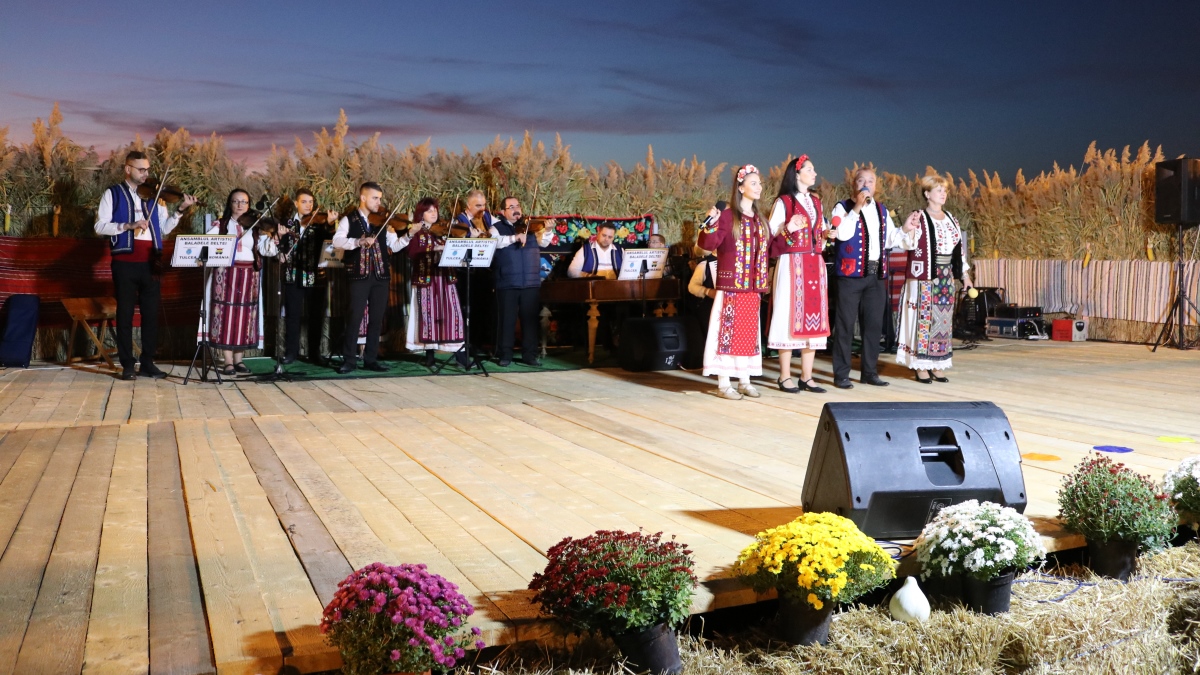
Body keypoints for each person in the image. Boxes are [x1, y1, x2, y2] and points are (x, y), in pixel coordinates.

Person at [94, 150, 196, 380]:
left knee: (151, 314)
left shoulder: (156, 197)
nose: (145, 174)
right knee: (125, 314)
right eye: (141, 170)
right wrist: (128, 225)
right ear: (127, 169)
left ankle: (148, 362)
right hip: (125, 262)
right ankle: (128, 364)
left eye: (147, 170)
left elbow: (163, 229)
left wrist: (180, 210)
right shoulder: (113, 193)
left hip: (152, 262)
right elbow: (100, 226)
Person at [829, 167, 911, 389]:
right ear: (854, 184)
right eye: (861, 180)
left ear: (876, 186)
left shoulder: (881, 210)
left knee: (873, 327)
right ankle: (841, 374)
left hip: (876, 277)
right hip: (849, 277)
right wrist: (857, 207)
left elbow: (890, 239)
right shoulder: (843, 207)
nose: (866, 184)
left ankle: (869, 372)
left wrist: (904, 229)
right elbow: (842, 234)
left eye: (871, 181)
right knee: (845, 325)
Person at [697, 165, 770, 400]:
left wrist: (788, 230)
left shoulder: (760, 220)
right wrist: (710, 223)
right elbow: (707, 245)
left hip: (752, 287)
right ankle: (724, 383)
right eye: (754, 183)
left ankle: (744, 380)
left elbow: (769, 249)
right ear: (740, 188)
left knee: (747, 334)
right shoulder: (728, 217)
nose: (759, 187)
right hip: (731, 287)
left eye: (759, 183)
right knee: (726, 334)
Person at [896, 174, 973, 382]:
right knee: (923, 318)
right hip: (924, 276)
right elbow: (907, 244)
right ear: (927, 194)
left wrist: (965, 275)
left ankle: (937, 362)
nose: (943, 194)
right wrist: (908, 230)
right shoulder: (918, 217)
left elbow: (958, 251)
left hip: (946, 276)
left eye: (945, 190)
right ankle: (921, 364)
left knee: (943, 319)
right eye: (939, 190)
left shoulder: (951, 219)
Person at [767, 155, 831, 394]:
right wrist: (789, 228)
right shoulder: (784, 202)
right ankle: (784, 376)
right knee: (787, 314)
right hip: (791, 263)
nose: (814, 173)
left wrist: (826, 236)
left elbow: (817, 234)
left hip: (814, 263)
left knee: (814, 317)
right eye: (810, 169)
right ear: (796, 174)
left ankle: (807, 376)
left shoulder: (816, 202)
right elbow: (770, 236)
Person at [332, 182, 410, 374]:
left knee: (376, 319)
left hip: (381, 276)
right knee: (354, 318)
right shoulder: (349, 219)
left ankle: (371, 359)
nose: (378, 202)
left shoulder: (384, 222)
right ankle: (349, 360)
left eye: (380, 199)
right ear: (363, 198)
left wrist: (409, 235)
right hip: (358, 276)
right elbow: (337, 241)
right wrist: (358, 241)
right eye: (375, 198)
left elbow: (395, 246)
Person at [204, 189, 278, 376]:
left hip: (249, 276)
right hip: (226, 275)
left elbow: (267, 251)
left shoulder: (256, 227)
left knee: (245, 316)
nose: (240, 205)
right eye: (236, 201)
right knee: (225, 315)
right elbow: (207, 243)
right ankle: (228, 361)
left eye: (244, 202)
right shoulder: (220, 225)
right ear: (230, 204)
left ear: (249, 205)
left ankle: (239, 360)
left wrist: (274, 237)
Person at [490, 196, 553, 367]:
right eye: (511, 207)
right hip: (507, 281)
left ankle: (529, 355)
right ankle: (505, 354)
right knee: (507, 320)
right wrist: (514, 237)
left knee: (530, 320)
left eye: (517, 206)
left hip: (530, 282)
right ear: (503, 211)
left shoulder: (531, 227)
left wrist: (548, 230)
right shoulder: (496, 228)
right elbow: (494, 243)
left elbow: (544, 242)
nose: (516, 209)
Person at [406, 197, 469, 369]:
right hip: (426, 278)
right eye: (429, 211)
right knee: (428, 316)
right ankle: (430, 356)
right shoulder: (416, 232)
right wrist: (433, 248)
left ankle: (460, 355)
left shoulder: (444, 230)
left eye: (435, 210)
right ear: (421, 214)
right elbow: (412, 252)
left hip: (445, 278)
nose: (434, 213)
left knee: (453, 314)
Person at [277, 189, 337, 364]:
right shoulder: (287, 223)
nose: (308, 205)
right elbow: (280, 246)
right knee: (292, 315)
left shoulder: (319, 223)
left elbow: (330, 243)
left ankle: (314, 353)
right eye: (304, 202)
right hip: (292, 274)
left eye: (311, 202)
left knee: (316, 316)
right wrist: (280, 249)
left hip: (315, 275)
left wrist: (330, 225)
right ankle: (291, 353)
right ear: (296, 203)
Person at [454, 189, 497, 352]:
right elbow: (457, 243)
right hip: (466, 273)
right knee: (468, 308)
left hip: (484, 271)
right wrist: (470, 238)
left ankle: (479, 344)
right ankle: (466, 344)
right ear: (468, 205)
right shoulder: (460, 220)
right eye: (478, 205)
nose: (482, 208)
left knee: (483, 308)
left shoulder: (487, 217)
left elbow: (498, 230)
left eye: (484, 205)